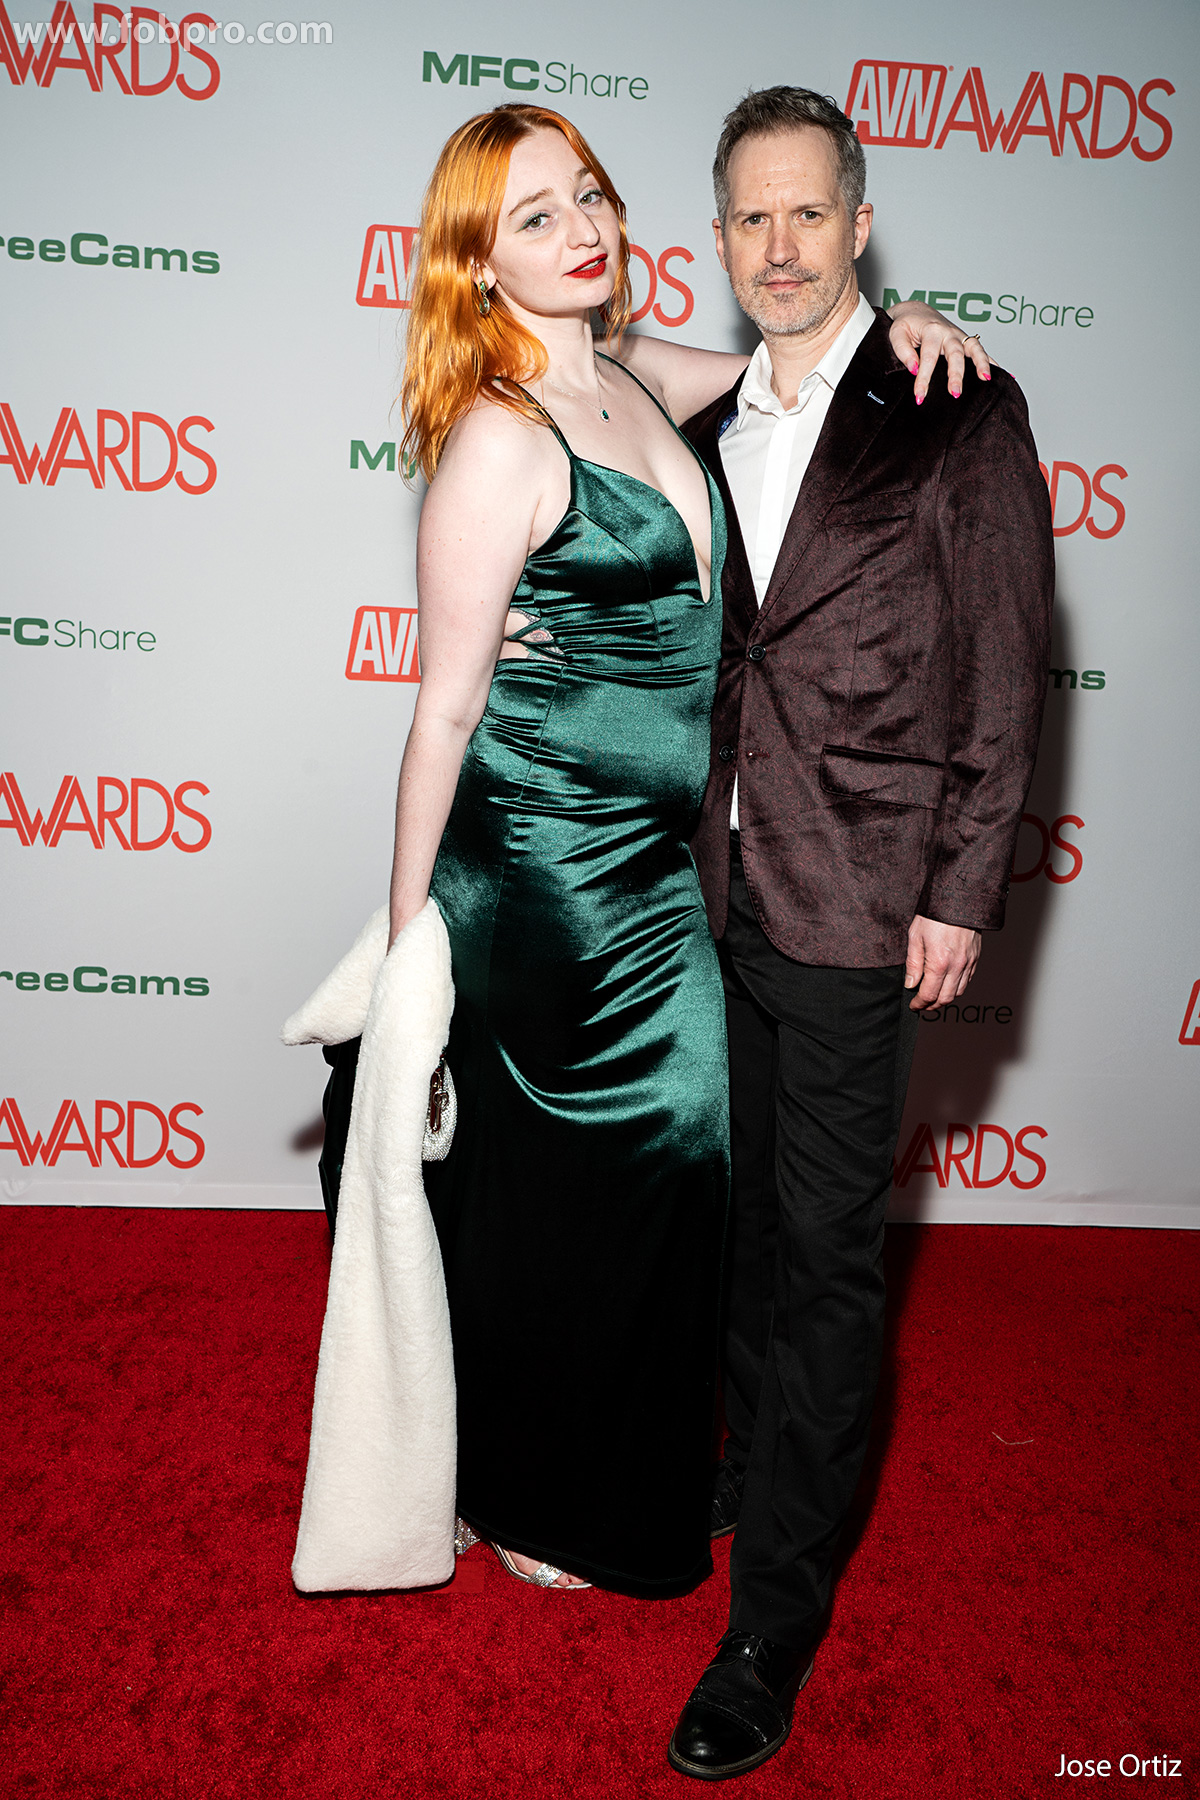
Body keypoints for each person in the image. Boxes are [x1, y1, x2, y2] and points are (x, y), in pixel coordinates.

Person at [322, 100, 983, 1595]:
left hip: (660, 866)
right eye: (536, 216)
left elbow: (799, 368)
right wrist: (411, 941)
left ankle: (571, 1468)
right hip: (541, 866)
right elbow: (443, 712)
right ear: (479, 261)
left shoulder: (636, 370)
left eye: (591, 196)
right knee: (588, 1171)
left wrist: (909, 322)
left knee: (656, 1175)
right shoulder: (497, 437)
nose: (582, 230)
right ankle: (530, 1488)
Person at [666, 87, 1054, 1778]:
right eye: (751, 217)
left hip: (861, 897)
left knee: (828, 1260)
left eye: (808, 212)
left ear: (862, 218)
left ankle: (773, 1623)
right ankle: (750, 1466)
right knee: (746, 1226)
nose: (780, 247)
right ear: (721, 235)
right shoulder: (704, 418)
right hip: (714, 894)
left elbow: (1006, 663)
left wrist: (962, 888)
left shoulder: (953, 403)